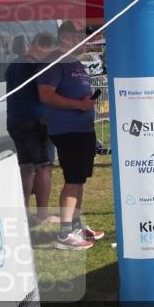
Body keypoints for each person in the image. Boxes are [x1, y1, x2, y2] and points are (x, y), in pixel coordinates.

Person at [37, 21, 105, 250]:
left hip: (83, 129)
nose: (85, 40)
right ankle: (65, 233)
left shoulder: (74, 62)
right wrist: (78, 104)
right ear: (66, 36)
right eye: (80, 35)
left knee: (79, 179)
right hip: (68, 130)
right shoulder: (55, 61)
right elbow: (46, 95)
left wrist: (85, 104)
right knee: (73, 179)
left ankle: (75, 226)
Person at [5, 32, 59, 225]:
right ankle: (43, 214)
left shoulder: (13, 65)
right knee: (44, 167)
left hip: (15, 121)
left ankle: (24, 211)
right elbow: (46, 93)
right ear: (42, 47)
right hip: (36, 122)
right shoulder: (38, 67)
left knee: (26, 168)